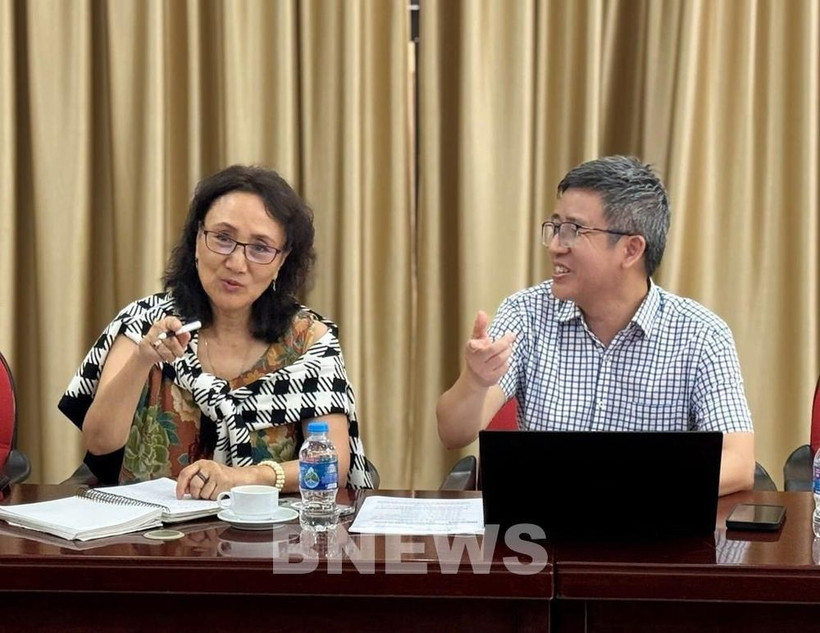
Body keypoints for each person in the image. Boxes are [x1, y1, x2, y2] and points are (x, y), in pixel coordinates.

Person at [436, 155, 754, 496]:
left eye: (573, 231)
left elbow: (739, 462)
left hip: (653, 536)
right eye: (555, 228)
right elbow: (453, 432)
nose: (555, 246)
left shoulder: (701, 334)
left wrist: (622, 490)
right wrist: (476, 381)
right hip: (544, 537)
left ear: (631, 250)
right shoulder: (526, 313)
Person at [60, 164, 374, 498]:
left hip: (270, 540)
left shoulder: (309, 340)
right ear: (197, 239)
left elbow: (332, 466)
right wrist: (141, 360)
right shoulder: (145, 322)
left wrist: (240, 478)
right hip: (150, 538)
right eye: (223, 238)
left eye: (260, 247)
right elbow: (99, 442)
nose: (237, 264)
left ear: (282, 261)